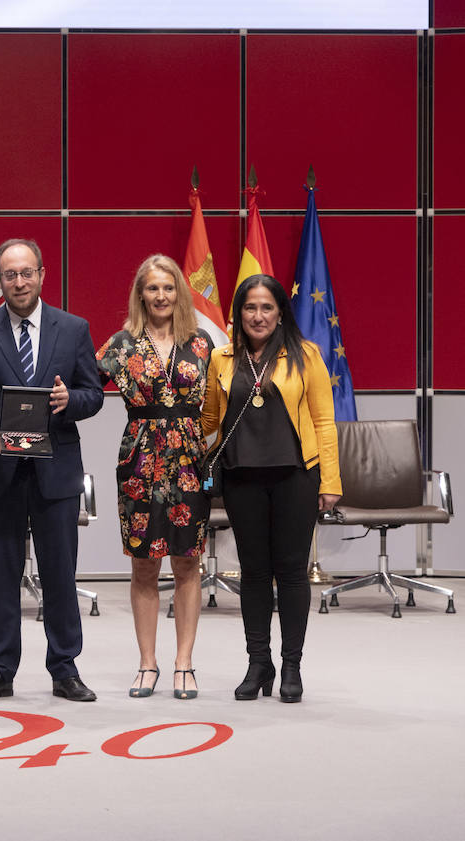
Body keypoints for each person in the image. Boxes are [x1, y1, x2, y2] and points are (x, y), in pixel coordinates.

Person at [0, 238, 104, 702]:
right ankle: (0, 668)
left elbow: (93, 393)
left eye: (26, 273)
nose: (18, 282)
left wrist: (69, 401)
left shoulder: (73, 328)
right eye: (9, 275)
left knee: (60, 572)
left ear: (42, 274)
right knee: (1, 574)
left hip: (56, 471)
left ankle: (65, 668)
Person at [202, 274, 340, 703]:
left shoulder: (306, 355)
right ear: (238, 314)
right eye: (249, 307)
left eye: (266, 307)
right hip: (242, 477)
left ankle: (292, 666)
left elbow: (324, 421)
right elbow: (208, 421)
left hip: (296, 476)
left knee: (293, 573)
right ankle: (258, 662)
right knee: (254, 573)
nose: (258, 316)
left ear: (280, 311)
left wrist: (331, 481)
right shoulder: (221, 359)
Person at [95, 254, 212, 700]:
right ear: (140, 294)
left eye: (168, 288)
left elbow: (223, 400)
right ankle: (147, 663)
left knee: (187, 561)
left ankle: (184, 663)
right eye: (152, 288)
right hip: (139, 463)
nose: (161, 296)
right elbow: (87, 389)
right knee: (144, 565)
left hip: (188, 461)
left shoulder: (202, 343)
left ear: (178, 292)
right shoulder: (121, 345)